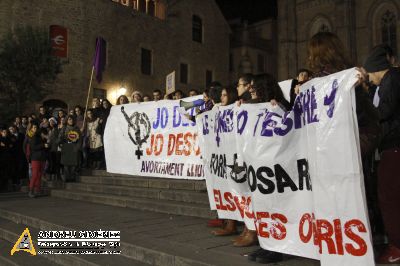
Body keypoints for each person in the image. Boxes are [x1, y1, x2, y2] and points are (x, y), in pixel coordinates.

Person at [363, 45, 400, 264]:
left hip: (394, 144)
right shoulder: (386, 82)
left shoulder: (393, 78)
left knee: (389, 197)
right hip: (390, 145)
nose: (369, 79)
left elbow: (384, 111)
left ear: (376, 69)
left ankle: (397, 245)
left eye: (369, 74)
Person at [59, 115, 81, 182]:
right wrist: (61, 142)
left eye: (71, 119)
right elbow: (60, 137)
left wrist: (77, 147)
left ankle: (72, 177)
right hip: (66, 148)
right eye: (69, 119)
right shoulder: (64, 128)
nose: (70, 121)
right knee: (66, 165)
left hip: (74, 148)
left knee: (73, 165)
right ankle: (67, 178)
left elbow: (80, 140)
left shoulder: (77, 128)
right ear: (67, 120)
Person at [28, 122, 46, 197]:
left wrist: (45, 142)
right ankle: (31, 190)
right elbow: (33, 147)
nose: (35, 129)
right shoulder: (31, 136)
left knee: (39, 174)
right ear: (31, 129)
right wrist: (43, 145)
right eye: (34, 128)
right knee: (35, 174)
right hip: (35, 158)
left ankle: (38, 190)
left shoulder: (39, 136)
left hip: (41, 157)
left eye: (36, 127)